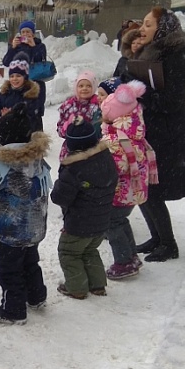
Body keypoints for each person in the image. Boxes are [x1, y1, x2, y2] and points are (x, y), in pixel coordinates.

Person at [124, 7, 185, 262]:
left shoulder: (173, 59)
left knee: (151, 189)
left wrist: (140, 91)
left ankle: (168, 245)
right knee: (144, 188)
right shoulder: (152, 54)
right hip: (153, 131)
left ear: (162, 29)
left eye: (148, 25)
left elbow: (171, 102)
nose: (142, 29)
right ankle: (157, 237)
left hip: (170, 135)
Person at [0, 103, 52, 325]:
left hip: (10, 231)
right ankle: (37, 296)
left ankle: (13, 309)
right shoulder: (38, 159)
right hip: (35, 227)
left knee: (9, 271)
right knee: (31, 262)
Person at [49, 117, 118, 300]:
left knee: (69, 252)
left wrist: (59, 182)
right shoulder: (105, 157)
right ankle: (97, 285)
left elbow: (59, 197)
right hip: (102, 220)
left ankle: (77, 288)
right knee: (89, 250)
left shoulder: (74, 168)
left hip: (78, 223)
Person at [99, 81, 159, 280]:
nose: (103, 115)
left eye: (106, 112)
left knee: (111, 223)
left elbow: (117, 166)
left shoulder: (116, 138)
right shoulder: (133, 131)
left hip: (120, 191)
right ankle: (132, 256)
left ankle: (124, 262)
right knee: (120, 220)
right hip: (133, 190)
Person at [2, 20, 47, 117]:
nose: (25, 34)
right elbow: (6, 62)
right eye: (23, 32)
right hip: (19, 83)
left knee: (35, 114)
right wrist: (12, 48)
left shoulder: (40, 45)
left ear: (33, 33)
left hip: (36, 83)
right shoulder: (16, 46)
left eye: (28, 32)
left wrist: (34, 47)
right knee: (19, 112)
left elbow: (42, 62)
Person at [0, 52, 43, 132]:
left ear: (25, 77)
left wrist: (11, 115)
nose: (14, 79)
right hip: (7, 135)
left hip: (27, 136)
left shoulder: (31, 94)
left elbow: (32, 116)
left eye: (18, 76)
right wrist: (1, 115)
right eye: (12, 76)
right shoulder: (5, 93)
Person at [56, 70, 102, 161]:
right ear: (76, 87)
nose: (84, 88)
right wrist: (66, 128)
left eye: (88, 86)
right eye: (81, 86)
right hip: (71, 149)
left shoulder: (98, 105)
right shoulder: (68, 105)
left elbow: (102, 128)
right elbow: (59, 129)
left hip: (91, 148)